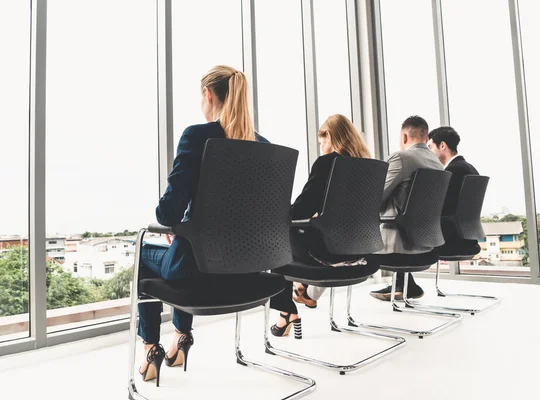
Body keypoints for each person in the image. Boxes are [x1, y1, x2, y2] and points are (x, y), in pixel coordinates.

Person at [137, 65, 268, 385]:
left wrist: (182, 226)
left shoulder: (197, 136)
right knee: (186, 248)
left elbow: (167, 215)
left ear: (208, 95)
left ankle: (151, 347)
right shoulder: (263, 146)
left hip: (194, 270)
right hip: (248, 274)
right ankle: (181, 338)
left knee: (140, 247)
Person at [269, 114, 371, 336]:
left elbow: (302, 209)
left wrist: (281, 212)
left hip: (326, 254)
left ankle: (286, 312)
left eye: (322, 141)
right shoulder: (367, 168)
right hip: (361, 253)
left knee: (276, 242)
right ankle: (299, 292)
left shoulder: (327, 163)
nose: (321, 146)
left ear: (331, 137)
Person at [369, 116, 444, 301]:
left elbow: (375, 199)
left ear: (404, 136)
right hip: (427, 247)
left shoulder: (402, 158)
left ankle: (307, 290)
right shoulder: (437, 164)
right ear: (426, 139)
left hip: (397, 250)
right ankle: (407, 285)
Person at [427, 126, 480, 253]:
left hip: (449, 239)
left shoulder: (451, 172)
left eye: (430, 147)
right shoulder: (470, 169)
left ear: (442, 146)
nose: (428, 153)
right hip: (468, 239)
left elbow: (438, 207)